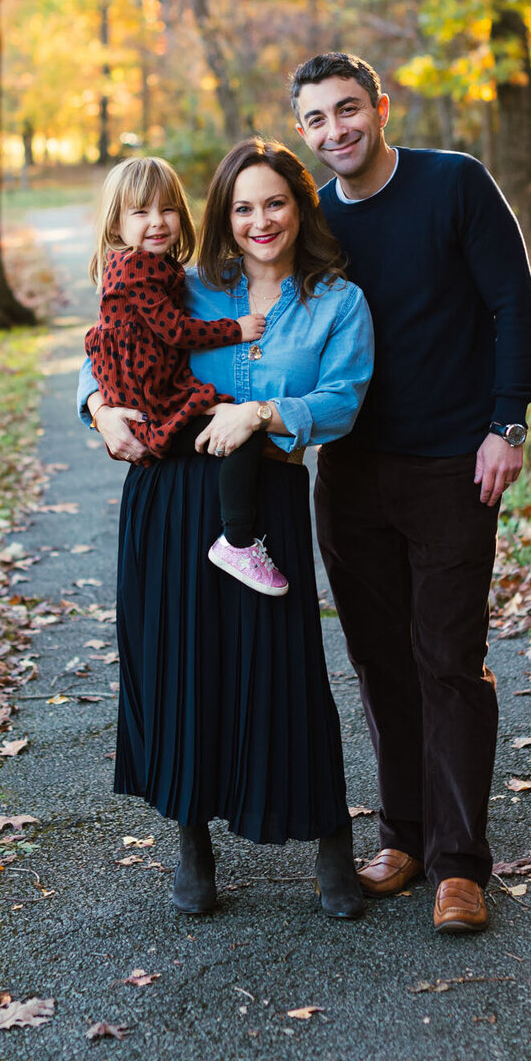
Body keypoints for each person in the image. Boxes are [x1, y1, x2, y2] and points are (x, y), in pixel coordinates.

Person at [78, 138, 374, 919]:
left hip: (263, 493)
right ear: (223, 216)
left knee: (286, 669)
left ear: (298, 207)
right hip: (173, 493)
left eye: (274, 202)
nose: (259, 219)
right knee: (186, 665)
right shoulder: (186, 284)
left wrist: (265, 411)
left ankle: (328, 836)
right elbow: (107, 343)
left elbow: (344, 401)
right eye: (242, 206)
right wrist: (102, 408)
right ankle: (191, 837)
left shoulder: (336, 302)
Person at [291, 52, 531, 935]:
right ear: (303, 133)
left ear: (382, 108)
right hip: (351, 475)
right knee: (380, 662)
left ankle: (461, 865)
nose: (337, 131)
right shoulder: (312, 221)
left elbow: (515, 305)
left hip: (452, 466)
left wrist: (505, 424)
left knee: (447, 660)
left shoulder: (455, 186)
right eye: (318, 119)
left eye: (348, 110)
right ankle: (403, 833)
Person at [84, 155, 287, 597]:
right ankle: (237, 542)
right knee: (241, 427)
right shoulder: (138, 270)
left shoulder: (158, 270)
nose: (157, 222)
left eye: (168, 209)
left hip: (155, 386)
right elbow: (175, 330)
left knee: (235, 416)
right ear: (116, 225)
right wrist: (236, 329)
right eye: (141, 212)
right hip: (152, 398)